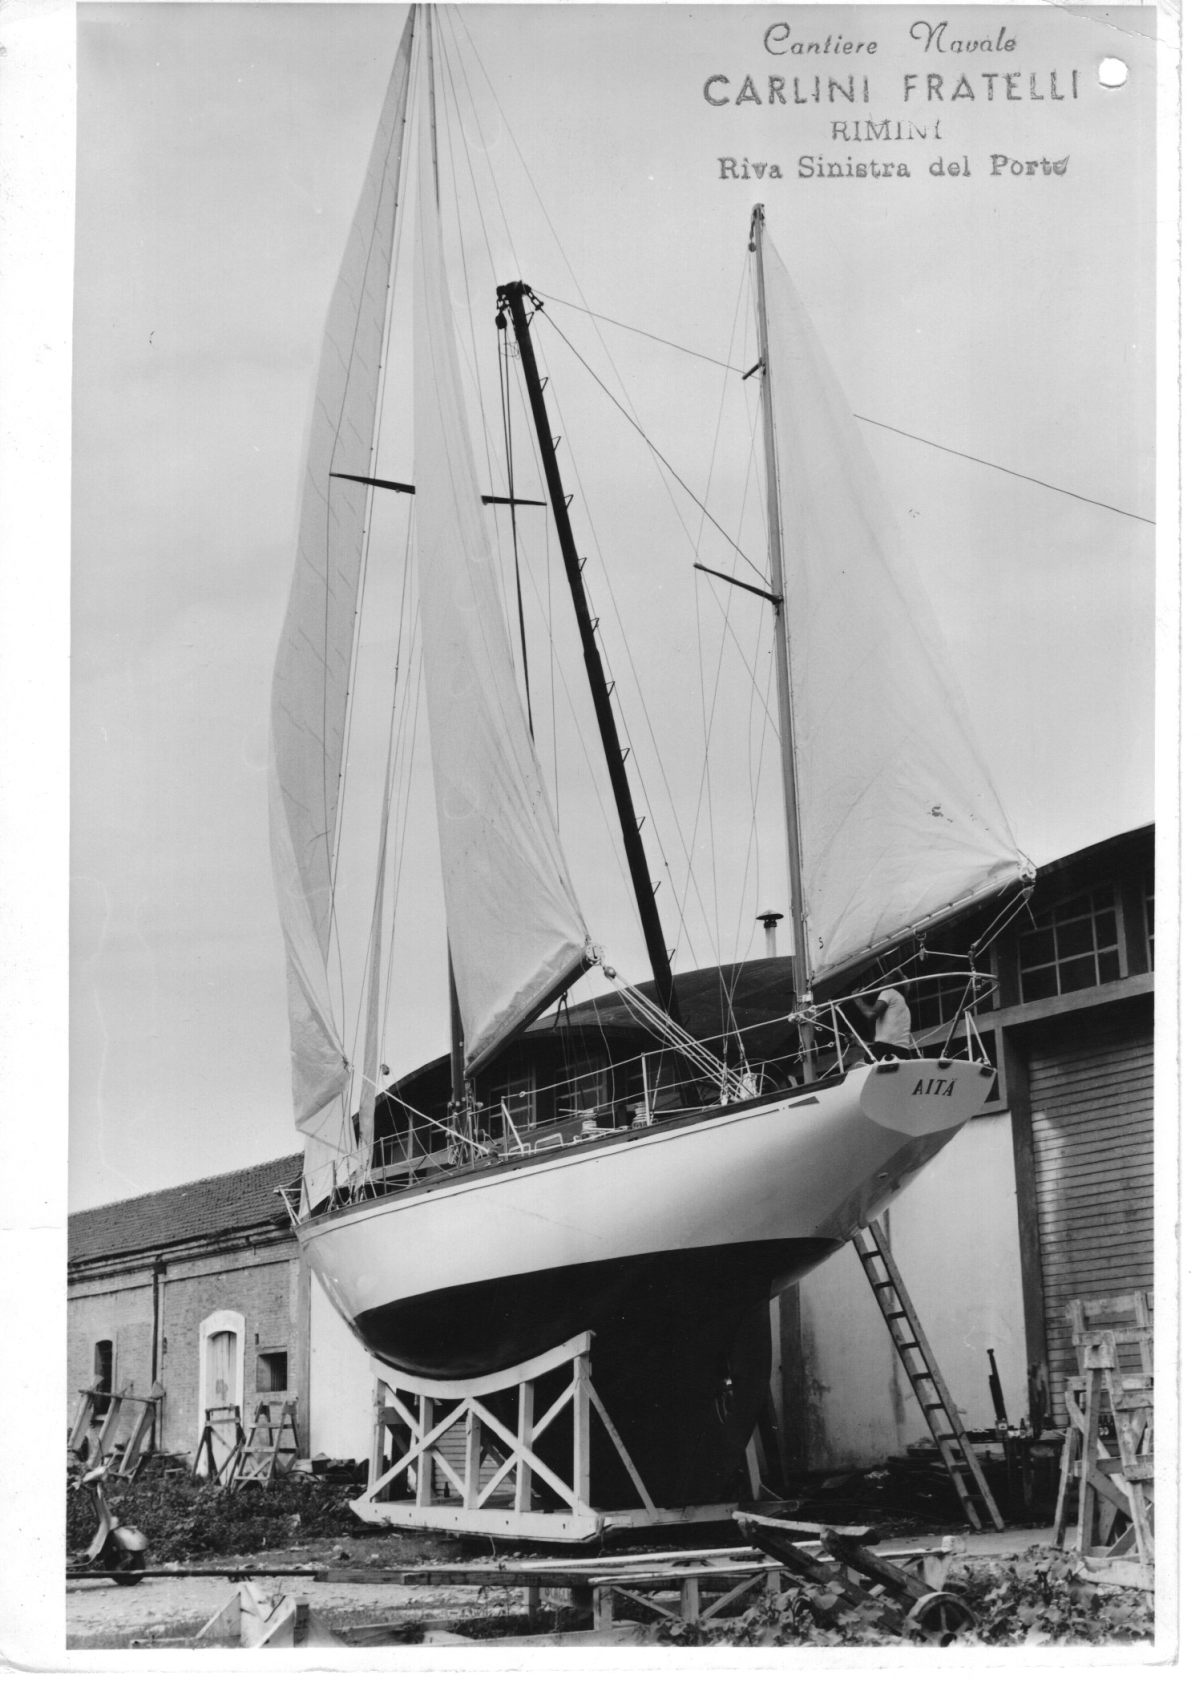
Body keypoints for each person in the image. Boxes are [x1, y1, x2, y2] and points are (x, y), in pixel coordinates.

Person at [856, 983, 917, 1059]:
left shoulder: (888, 991)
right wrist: (857, 1041)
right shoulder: (903, 1006)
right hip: (902, 1051)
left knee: (866, 1059)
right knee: (870, 1055)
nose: (880, 984)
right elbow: (888, 1040)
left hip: (886, 1050)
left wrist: (856, 998)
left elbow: (871, 1014)